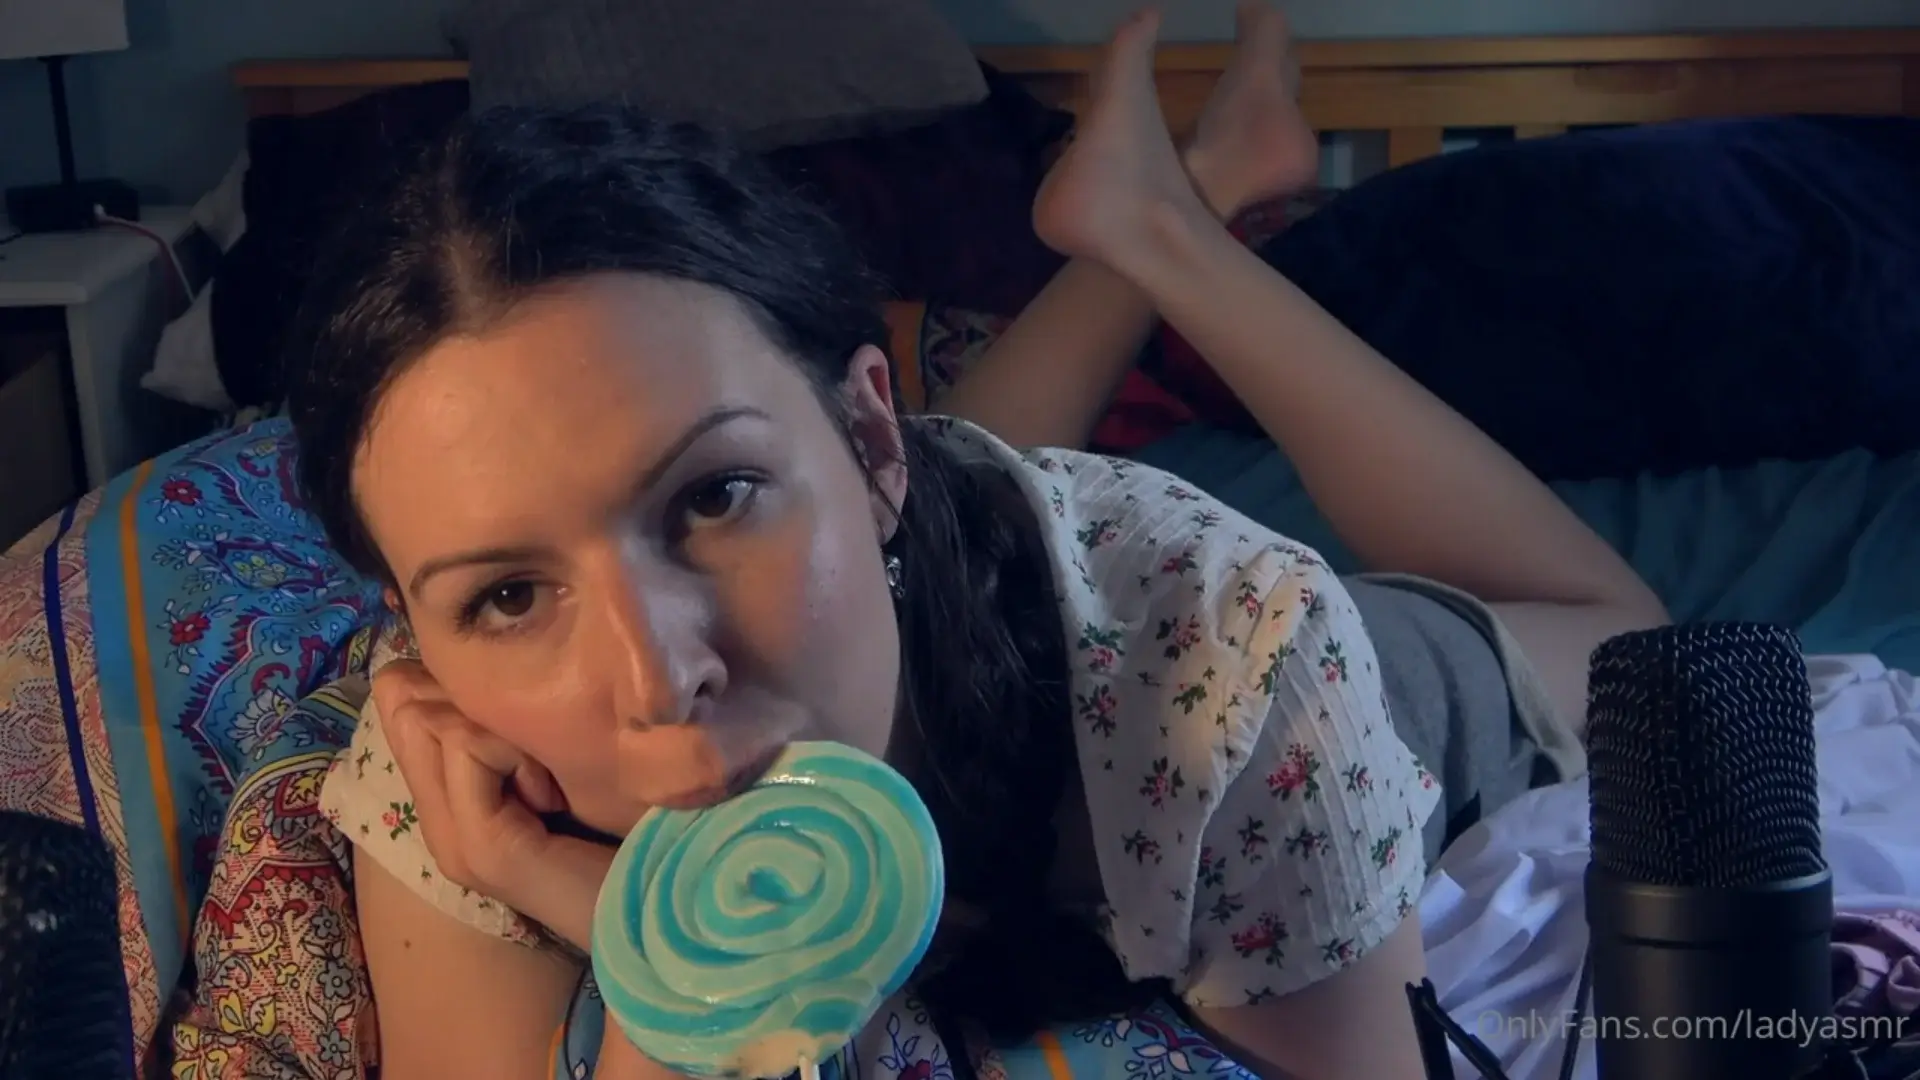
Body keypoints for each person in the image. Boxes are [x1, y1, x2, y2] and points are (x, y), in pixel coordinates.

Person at [287, 5, 1668, 1079]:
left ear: (868, 435)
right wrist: (621, 938)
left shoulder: (1244, 674)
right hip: (952, 558)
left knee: (1627, 634)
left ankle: (1177, 234)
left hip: (1385, 668)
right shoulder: (456, 758)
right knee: (903, 494)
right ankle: (1145, 211)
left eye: (711, 499)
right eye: (510, 595)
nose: (658, 681)